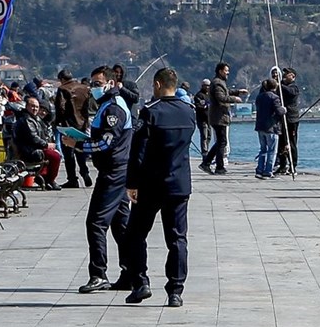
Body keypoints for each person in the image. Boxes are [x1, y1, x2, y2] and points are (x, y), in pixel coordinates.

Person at [123, 68, 194, 308]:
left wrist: (131, 183)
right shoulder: (189, 112)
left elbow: (138, 152)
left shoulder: (150, 112)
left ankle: (141, 282)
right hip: (179, 184)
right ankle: (176, 290)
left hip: (150, 185)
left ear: (157, 85)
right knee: (177, 239)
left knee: (135, 234)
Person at [60, 66, 133, 294]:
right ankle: (130, 272)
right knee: (121, 226)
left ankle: (98, 273)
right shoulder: (105, 105)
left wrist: (78, 145)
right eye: (92, 83)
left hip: (114, 171)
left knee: (96, 222)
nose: (93, 88)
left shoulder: (114, 109)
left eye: (98, 83)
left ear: (110, 83)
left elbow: (106, 142)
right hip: (117, 169)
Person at [54, 69, 94, 188]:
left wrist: (58, 123)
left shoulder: (63, 89)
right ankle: (84, 172)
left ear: (61, 79)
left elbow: (60, 107)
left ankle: (72, 179)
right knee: (80, 149)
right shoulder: (85, 88)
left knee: (68, 154)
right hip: (82, 124)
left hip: (68, 125)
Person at [13, 95, 63, 190]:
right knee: (55, 156)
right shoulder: (27, 120)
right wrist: (46, 145)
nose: (35, 109)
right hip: (28, 150)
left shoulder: (34, 119)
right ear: (26, 106)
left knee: (54, 153)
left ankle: (44, 177)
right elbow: (33, 138)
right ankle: (50, 180)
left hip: (33, 148)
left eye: (36, 107)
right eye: (32, 106)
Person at [200, 62, 241, 176]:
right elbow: (221, 97)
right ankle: (218, 166)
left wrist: (238, 91)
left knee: (220, 141)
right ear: (220, 71)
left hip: (219, 116)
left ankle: (208, 162)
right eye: (226, 70)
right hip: (219, 117)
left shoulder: (219, 82)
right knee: (222, 141)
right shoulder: (218, 82)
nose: (228, 73)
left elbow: (225, 91)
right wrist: (234, 99)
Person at [272, 67, 301, 174]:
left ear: (293, 76)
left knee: (291, 143)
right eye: (284, 73)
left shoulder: (294, 87)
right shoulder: (280, 86)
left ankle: (293, 165)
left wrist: (280, 85)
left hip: (291, 119)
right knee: (281, 142)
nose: (284, 75)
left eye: (287, 74)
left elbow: (291, 92)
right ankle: (282, 165)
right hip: (281, 118)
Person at [253, 78, 284, 179]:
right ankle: (268, 170)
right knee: (272, 150)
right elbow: (279, 111)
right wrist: (283, 110)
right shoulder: (274, 97)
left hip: (260, 126)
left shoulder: (259, 97)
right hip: (271, 127)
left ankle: (260, 169)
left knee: (263, 149)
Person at [193, 79, 211, 155]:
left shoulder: (210, 95)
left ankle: (207, 149)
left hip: (209, 119)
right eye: (206, 85)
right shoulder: (199, 95)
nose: (207, 87)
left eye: (209, 85)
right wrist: (206, 106)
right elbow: (198, 106)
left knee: (209, 136)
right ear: (202, 86)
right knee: (204, 136)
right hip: (202, 119)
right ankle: (204, 152)